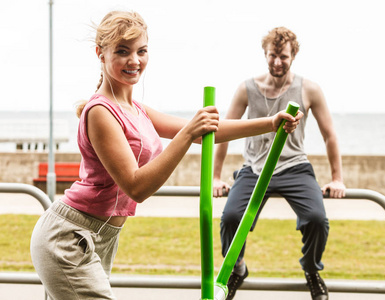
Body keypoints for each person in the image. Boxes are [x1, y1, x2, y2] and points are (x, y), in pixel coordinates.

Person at [30, 12, 301, 300]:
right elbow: (137, 187)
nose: (134, 61)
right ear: (100, 53)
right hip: (70, 238)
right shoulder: (100, 112)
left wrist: (269, 123)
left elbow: (202, 133)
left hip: (101, 237)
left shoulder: (136, 109)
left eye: (141, 51)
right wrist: (186, 135)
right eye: (123, 51)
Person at [213, 27, 346, 300]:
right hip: (254, 169)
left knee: (317, 220)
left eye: (283, 56)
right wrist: (216, 176)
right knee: (230, 218)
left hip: (294, 167)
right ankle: (237, 268)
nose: (277, 62)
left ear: (293, 56)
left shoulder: (309, 89)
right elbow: (224, 130)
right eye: (272, 55)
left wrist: (337, 178)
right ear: (265, 54)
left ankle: (311, 269)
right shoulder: (247, 89)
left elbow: (329, 135)